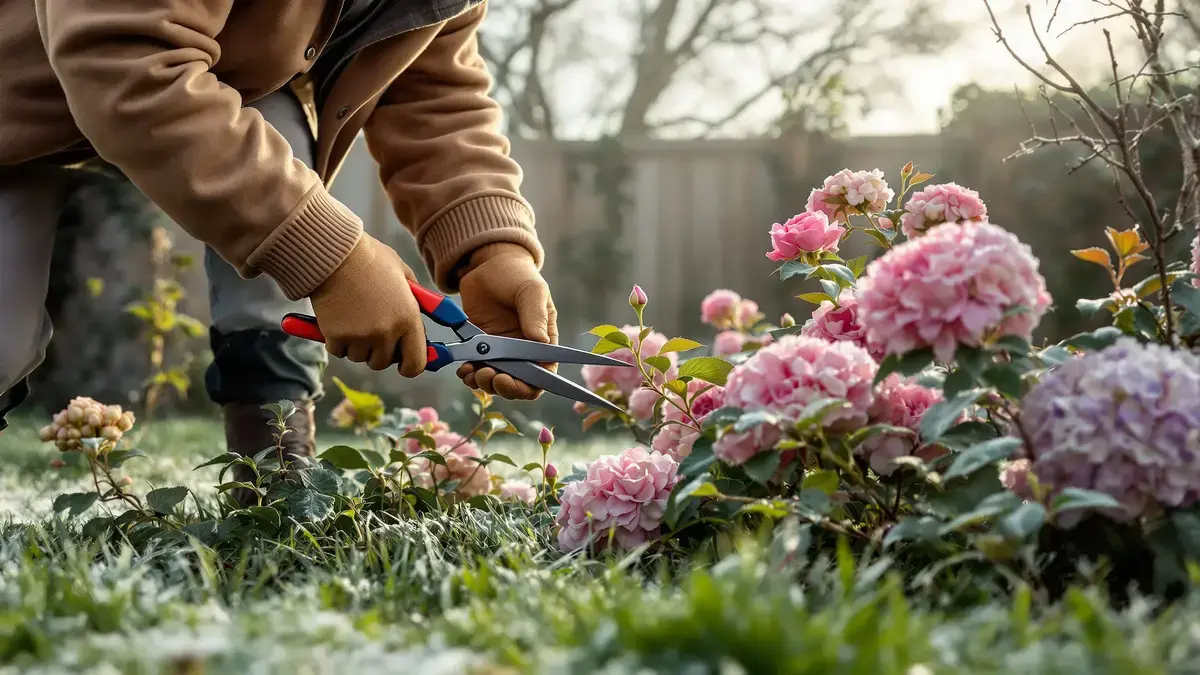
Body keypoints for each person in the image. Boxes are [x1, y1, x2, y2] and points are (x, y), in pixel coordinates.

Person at [0, 2, 558, 467]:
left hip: (229, 82)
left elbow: (432, 87)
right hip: (17, 91)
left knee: (280, 134)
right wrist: (331, 256)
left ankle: (275, 463)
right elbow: (123, 58)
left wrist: (492, 245)